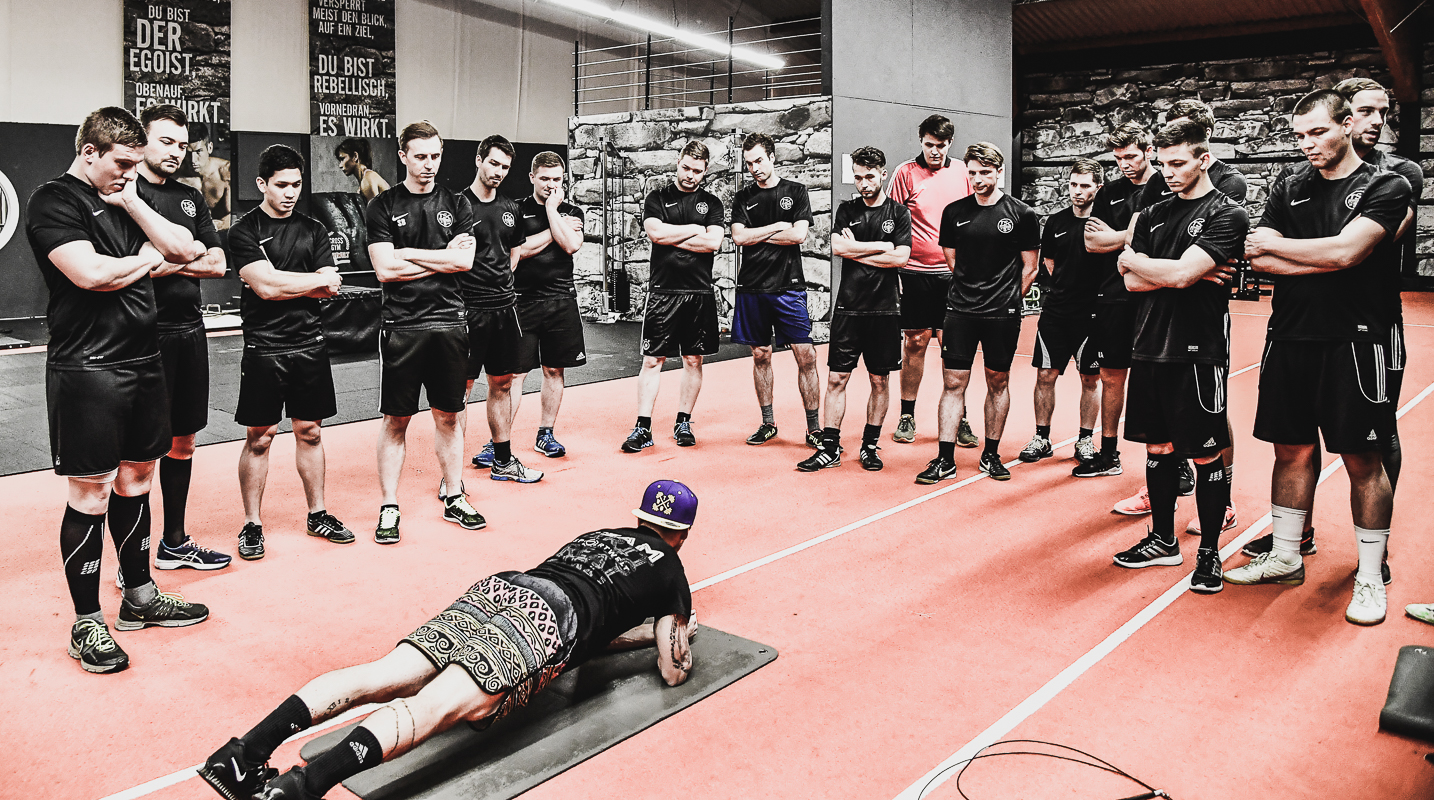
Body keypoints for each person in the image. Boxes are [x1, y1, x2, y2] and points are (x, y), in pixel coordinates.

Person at [198, 479, 698, 800]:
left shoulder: (600, 533)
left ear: (639, 517)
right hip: (548, 619)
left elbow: (597, 615)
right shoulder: (670, 568)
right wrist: (678, 634)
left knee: (382, 674)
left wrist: (622, 633)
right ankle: (303, 790)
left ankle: (241, 755)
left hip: (505, 588)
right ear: (682, 535)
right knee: (430, 709)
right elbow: (672, 671)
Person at [28, 106, 209, 674]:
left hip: (143, 359)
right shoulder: (54, 201)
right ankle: (87, 622)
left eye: (136, 166)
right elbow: (89, 274)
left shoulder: (126, 195)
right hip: (87, 366)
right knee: (91, 491)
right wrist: (146, 260)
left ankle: (140, 595)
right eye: (122, 165)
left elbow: (189, 252)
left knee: (138, 476)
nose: (130, 173)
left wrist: (132, 203)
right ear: (90, 153)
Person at [1224, 90, 1411, 625]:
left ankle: (1371, 576)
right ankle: (1285, 555)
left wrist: (1321, 255)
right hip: (1291, 337)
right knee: (1291, 451)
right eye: (1299, 135)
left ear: (1347, 125)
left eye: (1317, 132)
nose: (1306, 144)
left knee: (1362, 459)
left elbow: (1350, 251)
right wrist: (1331, 258)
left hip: (1358, 341)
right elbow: (1257, 255)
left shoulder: (1385, 184)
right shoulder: (1290, 185)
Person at [1104, 119, 1247, 595]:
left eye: (1178, 162)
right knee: (1158, 450)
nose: (1167, 171)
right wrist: (1178, 271)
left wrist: (1156, 267)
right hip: (1147, 346)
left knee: (1206, 457)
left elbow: (1175, 274)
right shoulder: (1151, 213)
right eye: (1162, 162)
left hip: (1197, 353)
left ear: (1204, 159)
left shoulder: (1228, 213)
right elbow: (1129, 281)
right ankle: (1163, 541)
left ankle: (1209, 553)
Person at [229, 145, 355, 559]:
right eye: (281, 185)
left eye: (297, 185)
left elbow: (330, 283)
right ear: (262, 184)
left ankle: (317, 513)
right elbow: (264, 287)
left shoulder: (314, 229)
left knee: (311, 431)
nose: (290, 193)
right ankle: (252, 523)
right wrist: (306, 283)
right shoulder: (243, 230)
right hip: (265, 347)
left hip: (309, 344)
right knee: (260, 437)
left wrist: (281, 281)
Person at [366, 122, 482, 542]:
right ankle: (389, 506)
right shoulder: (381, 206)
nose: (429, 164)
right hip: (402, 326)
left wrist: (407, 255)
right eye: (420, 156)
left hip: (449, 323)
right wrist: (438, 256)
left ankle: (454, 495)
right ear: (403, 156)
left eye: (435, 156)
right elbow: (384, 270)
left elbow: (463, 264)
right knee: (396, 420)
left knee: (449, 416)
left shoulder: (458, 204)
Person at [134, 104, 231, 572]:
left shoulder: (190, 196)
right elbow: (137, 264)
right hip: (139, 337)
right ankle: (131, 558)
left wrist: (168, 258)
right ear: (141, 141)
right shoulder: (123, 195)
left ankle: (174, 542)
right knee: (137, 454)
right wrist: (182, 254)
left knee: (183, 442)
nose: (177, 151)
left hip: (189, 332)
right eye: (166, 141)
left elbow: (217, 263)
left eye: (182, 143)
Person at [915, 142, 1038, 485]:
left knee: (998, 381)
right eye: (972, 172)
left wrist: (1007, 299)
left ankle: (992, 454)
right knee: (953, 382)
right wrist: (971, 291)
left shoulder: (1022, 214)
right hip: (960, 311)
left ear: (999, 172)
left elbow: (1030, 267)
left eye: (985, 172)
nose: (978, 179)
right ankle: (944, 459)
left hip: (1002, 314)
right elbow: (951, 258)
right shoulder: (954, 212)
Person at [799, 145, 910, 472]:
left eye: (870, 177)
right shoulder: (846, 210)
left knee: (880, 381)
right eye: (858, 177)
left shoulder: (898, 214)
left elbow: (901, 257)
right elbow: (837, 247)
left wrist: (856, 250)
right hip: (848, 309)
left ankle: (870, 445)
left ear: (883, 174)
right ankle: (830, 447)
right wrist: (880, 247)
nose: (863, 183)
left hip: (885, 311)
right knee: (837, 379)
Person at [1164, 99, 1247, 536]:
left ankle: (1224, 498)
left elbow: (1199, 259)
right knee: (1164, 416)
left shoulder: (1229, 184)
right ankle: (1171, 479)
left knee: (1210, 410)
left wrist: (1173, 265)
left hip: (1203, 318)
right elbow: (1142, 249)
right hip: (1158, 320)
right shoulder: (1164, 180)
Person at [622, 140, 725, 453]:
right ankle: (642, 427)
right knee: (653, 360)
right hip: (663, 292)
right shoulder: (658, 197)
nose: (690, 175)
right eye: (686, 167)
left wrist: (676, 235)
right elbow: (656, 234)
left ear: (705, 171)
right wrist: (696, 229)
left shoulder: (713, 203)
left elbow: (713, 244)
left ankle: (683, 421)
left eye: (697, 170)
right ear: (677, 163)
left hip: (698, 293)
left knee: (693, 359)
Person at [886, 115, 975, 448]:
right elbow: (893, 220)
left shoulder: (964, 172)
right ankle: (907, 415)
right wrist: (894, 269)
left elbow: (972, 216)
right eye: (928, 145)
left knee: (954, 348)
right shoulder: (905, 173)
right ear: (920, 141)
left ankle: (960, 416)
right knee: (915, 343)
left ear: (950, 143)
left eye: (941, 146)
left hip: (953, 275)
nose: (934, 151)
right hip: (915, 274)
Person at [458, 135, 543, 484]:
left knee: (503, 384)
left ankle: (503, 461)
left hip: (504, 310)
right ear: (479, 160)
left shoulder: (511, 208)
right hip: (466, 311)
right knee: (459, 391)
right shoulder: (456, 205)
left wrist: (502, 279)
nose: (498, 172)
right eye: (493, 163)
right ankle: (452, 474)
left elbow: (515, 250)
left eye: (505, 167)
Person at [730, 132, 823, 448]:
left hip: (788, 287)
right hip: (752, 288)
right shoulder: (743, 198)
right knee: (760, 355)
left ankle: (813, 429)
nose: (754, 167)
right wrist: (776, 227)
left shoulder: (795, 192)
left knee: (806, 355)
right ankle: (768, 423)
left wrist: (758, 234)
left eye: (758, 160)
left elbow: (798, 236)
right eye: (749, 163)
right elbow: (739, 238)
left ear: (772, 157)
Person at [1077, 124, 1156, 485]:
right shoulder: (1109, 192)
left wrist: (1119, 237)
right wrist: (1132, 234)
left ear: (1148, 150)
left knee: (1159, 379)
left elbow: (1161, 240)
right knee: (1111, 375)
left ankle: (1177, 461)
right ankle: (1108, 453)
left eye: (1131, 156)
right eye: (1118, 158)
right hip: (1113, 294)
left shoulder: (1165, 186)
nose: (1124, 163)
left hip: (1155, 293)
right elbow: (1092, 243)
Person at [1019, 159, 1102, 465]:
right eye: (1073, 184)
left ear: (1097, 187)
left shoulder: (1104, 224)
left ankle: (1085, 440)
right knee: (1045, 375)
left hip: (1092, 315)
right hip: (1056, 312)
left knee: (1090, 378)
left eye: (1085, 185)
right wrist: (1065, 286)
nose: (1077, 191)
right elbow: (1049, 262)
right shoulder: (1055, 221)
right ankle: (1042, 437)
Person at [510, 151, 587, 459]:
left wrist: (553, 211)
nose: (551, 185)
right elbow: (519, 251)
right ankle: (499, 441)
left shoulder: (571, 209)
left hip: (561, 300)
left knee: (554, 369)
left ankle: (546, 433)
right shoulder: (515, 210)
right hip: (522, 301)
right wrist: (555, 228)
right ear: (532, 177)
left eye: (557, 179)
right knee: (514, 374)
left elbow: (571, 245)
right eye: (544, 179)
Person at [176, 121, 231, 230]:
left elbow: (238, 216)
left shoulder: (225, 172)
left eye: (198, 151)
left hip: (222, 234)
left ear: (210, 148)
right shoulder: (176, 176)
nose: (193, 160)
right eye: (188, 153)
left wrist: (219, 225)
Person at [335, 138, 391, 203]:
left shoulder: (367, 179)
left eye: (342, 159)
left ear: (355, 156)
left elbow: (375, 212)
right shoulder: (366, 180)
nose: (340, 165)